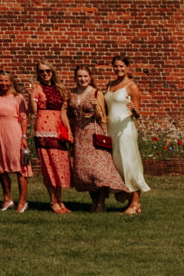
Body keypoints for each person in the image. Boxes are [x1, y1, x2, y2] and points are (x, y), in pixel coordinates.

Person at [68, 66, 121, 210]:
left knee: (99, 170)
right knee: (85, 172)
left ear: (90, 77)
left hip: (94, 133)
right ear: (76, 77)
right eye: (79, 76)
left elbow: (102, 117)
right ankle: (94, 201)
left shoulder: (97, 93)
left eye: (85, 76)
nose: (82, 79)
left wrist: (95, 108)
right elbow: (69, 115)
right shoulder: (72, 94)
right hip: (79, 135)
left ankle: (101, 202)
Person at [103, 56, 150, 215]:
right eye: (116, 66)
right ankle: (128, 198)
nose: (118, 69)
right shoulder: (110, 85)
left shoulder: (132, 87)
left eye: (121, 66)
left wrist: (134, 110)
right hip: (112, 130)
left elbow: (137, 114)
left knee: (129, 164)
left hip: (125, 130)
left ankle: (136, 203)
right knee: (117, 165)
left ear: (127, 67)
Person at [29, 64, 73, 213]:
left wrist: (69, 131)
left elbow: (63, 112)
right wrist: (31, 97)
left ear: (52, 72)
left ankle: (60, 199)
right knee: (49, 166)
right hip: (43, 129)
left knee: (59, 164)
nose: (45, 74)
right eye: (41, 71)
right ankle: (53, 200)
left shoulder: (60, 89)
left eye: (47, 71)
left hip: (58, 129)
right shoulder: (37, 88)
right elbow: (33, 111)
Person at [0, 71, 30, 212]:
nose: (4, 83)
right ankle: (8, 198)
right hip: (0, 132)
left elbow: (24, 118)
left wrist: (24, 137)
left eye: (6, 81)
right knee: (1, 167)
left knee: (20, 168)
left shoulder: (18, 97)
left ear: (11, 82)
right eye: (1, 81)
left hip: (15, 132)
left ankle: (22, 201)